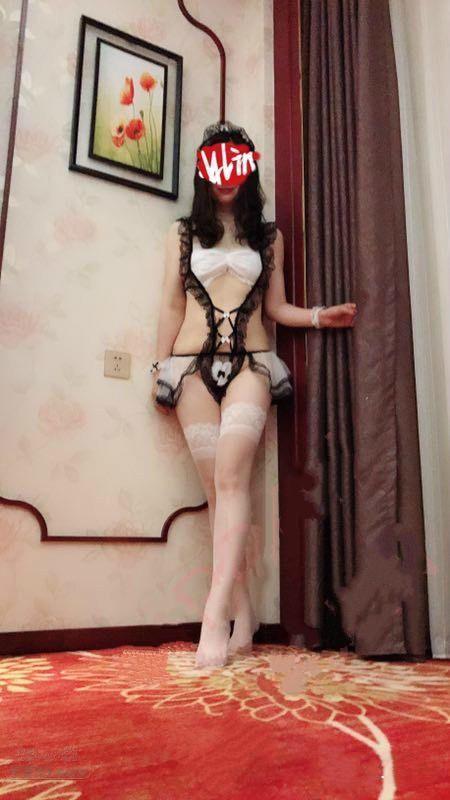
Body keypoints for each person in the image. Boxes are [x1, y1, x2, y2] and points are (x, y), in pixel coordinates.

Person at [150, 120, 357, 669]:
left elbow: (276, 308)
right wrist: (158, 367)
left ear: (247, 170)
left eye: (236, 163)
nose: (226, 175)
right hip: (190, 366)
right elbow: (171, 305)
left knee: (232, 478)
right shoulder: (181, 233)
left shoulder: (268, 237)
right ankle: (243, 611)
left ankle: (213, 614)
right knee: (217, 492)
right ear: (204, 171)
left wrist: (320, 317)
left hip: (253, 364)